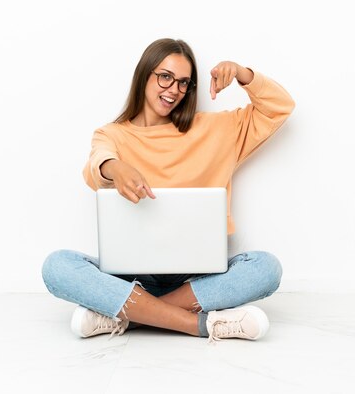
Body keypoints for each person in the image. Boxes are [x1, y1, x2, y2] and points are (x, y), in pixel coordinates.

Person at [41, 38, 295, 342]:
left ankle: (127, 316)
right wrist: (114, 167)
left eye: (184, 82)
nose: (174, 89)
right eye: (165, 76)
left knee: (266, 268)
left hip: (197, 279)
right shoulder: (113, 135)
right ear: (144, 75)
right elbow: (96, 165)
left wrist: (243, 73)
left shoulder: (219, 129)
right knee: (57, 266)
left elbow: (279, 108)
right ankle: (200, 325)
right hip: (130, 278)